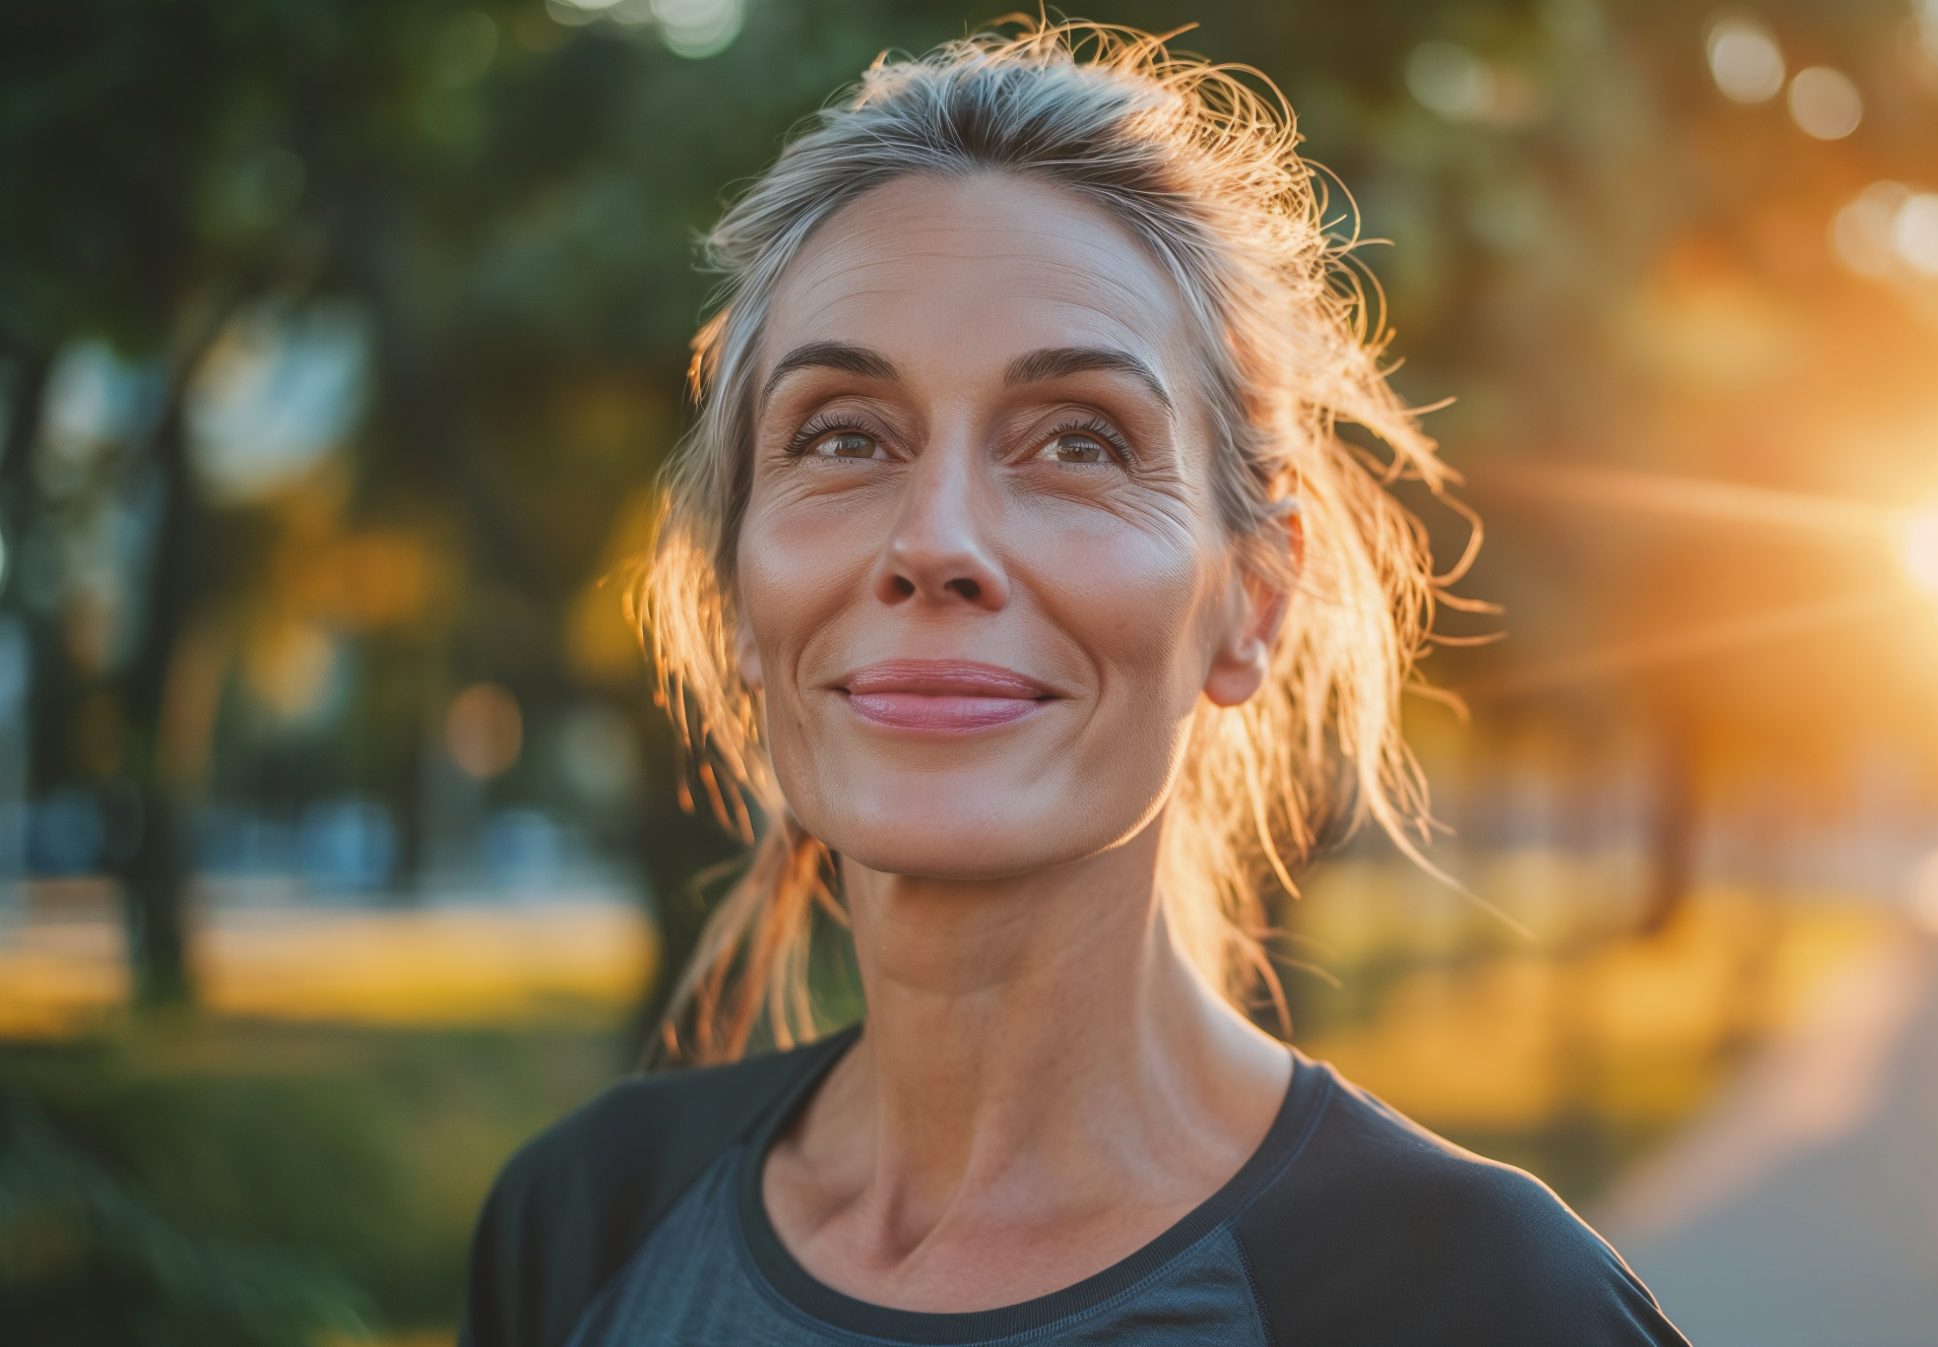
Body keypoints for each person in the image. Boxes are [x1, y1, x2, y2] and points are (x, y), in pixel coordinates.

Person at [461, 16, 1692, 1346]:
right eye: (843, 435)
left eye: (1081, 444)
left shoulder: (1475, 1302)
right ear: (737, 595)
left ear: (1250, 603)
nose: (934, 540)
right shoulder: (582, 1223)